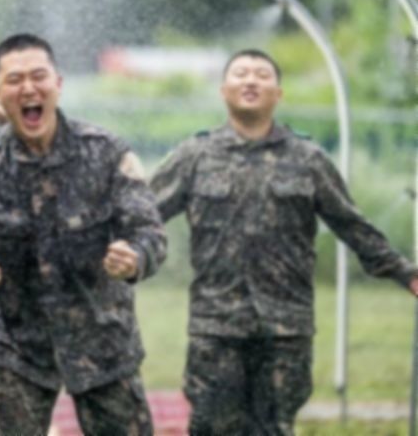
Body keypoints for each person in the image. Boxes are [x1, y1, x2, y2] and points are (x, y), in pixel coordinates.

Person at [149, 48, 418, 435]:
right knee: (211, 426)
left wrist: (404, 273)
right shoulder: (195, 156)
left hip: (285, 328)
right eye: (240, 73)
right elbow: (141, 215)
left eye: (262, 75)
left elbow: (351, 223)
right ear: (224, 90)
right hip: (216, 326)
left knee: (275, 428)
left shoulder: (308, 159)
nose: (251, 81)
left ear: (279, 93)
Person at [0, 33, 167, 435]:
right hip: (19, 348)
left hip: (103, 343)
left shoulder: (105, 152)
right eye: (14, 80)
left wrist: (136, 257)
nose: (29, 88)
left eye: (39, 76)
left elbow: (149, 232)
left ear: (58, 83)